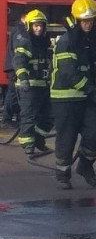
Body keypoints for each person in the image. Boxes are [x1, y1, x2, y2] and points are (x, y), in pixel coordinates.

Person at [49, 0, 96, 190]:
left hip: (86, 98)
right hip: (65, 99)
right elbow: (69, 74)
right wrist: (91, 90)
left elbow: (93, 69)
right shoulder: (66, 42)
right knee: (67, 138)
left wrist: (95, 92)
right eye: (84, 20)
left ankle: (85, 166)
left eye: (91, 20)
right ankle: (62, 175)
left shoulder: (92, 42)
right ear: (76, 19)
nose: (88, 24)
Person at [11, 9, 53, 155]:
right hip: (28, 86)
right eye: (35, 25)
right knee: (29, 116)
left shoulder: (45, 42)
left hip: (43, 86)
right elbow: (19, 60)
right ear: (29, 26)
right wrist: (23, 78)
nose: (39, 28)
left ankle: (39, 140)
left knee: (49, 115)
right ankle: (28, 144)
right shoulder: (26, 41)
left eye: (41, 25)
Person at [2, 11, 26, 126]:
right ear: (24, 18)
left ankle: (14, 118)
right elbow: (18, 50)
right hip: (14, 67)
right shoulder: (20, 31)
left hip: (14, 66)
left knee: (17, 93)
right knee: (13, 93)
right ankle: (7, 119)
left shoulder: (19, 29)